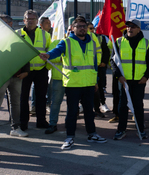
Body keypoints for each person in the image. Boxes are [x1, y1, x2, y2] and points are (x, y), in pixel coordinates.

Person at [40, 16, 107, 150]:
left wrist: (96, 82)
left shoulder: (92, 43)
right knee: (72, 112)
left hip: (89, 83)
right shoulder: (67, 42)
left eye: (84, 26)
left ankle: (92, 134)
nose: (82, 29)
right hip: (73, 84)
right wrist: (48, 55)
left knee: (89, 111)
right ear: (72, 28)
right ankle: (70, 137)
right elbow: (57, 51)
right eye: (79, 26)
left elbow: (94, 65)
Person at [0, 14, 30, 142]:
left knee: (16, 103)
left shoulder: (19, 37)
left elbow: (24, 55)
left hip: (17, 75)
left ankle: (15, 128)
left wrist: (26, 71)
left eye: (2, 22)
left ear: (10, 24)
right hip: (0, 76)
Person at [112, 19, 149, 140]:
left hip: (139, 81)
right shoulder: (119, 42)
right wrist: (118, 76)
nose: (130, 28)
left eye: (133, 27)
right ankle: (121, 130)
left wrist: (146, 77)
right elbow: (113, 61)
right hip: (124, 80)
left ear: (139, 29)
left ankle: (140, 130)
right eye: (128, 26)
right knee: (122, 106)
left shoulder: (146, 43)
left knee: (138, 106)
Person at [18, 9, 51, 132]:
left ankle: (41, 121)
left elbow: (50, 52)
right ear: (24, 20)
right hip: (23, 72)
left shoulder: (45, 35)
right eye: (28, 19)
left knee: (41, 97)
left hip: (41, 70)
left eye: (33, 19)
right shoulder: (17, 33)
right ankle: (23, 123)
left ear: (37, 21)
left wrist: (47, 68)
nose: (30, 21)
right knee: (23, 98)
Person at [88, 22, 110, 118]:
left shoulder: (100, 38)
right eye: (90, 28)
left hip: (99, 67)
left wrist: (104, 62)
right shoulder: (80, 38)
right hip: (87, 68)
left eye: (93, 28)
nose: (92, 30)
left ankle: (101, 105)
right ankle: (83, 106)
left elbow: (105, 51)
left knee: (99, 87)